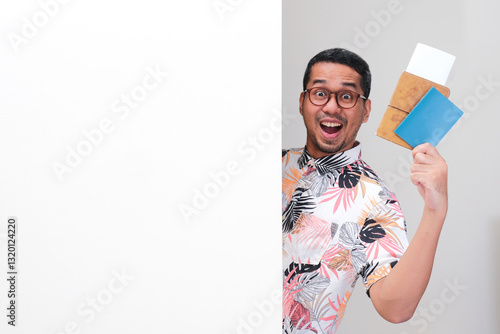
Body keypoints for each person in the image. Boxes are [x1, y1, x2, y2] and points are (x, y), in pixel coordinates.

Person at [282, 48, 448, 333]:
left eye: (346, 96)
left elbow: (395, 308)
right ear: (302, 102)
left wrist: (436, 209)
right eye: (320, 93)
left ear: (366, 110)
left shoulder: (376, 202)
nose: (331, 107)